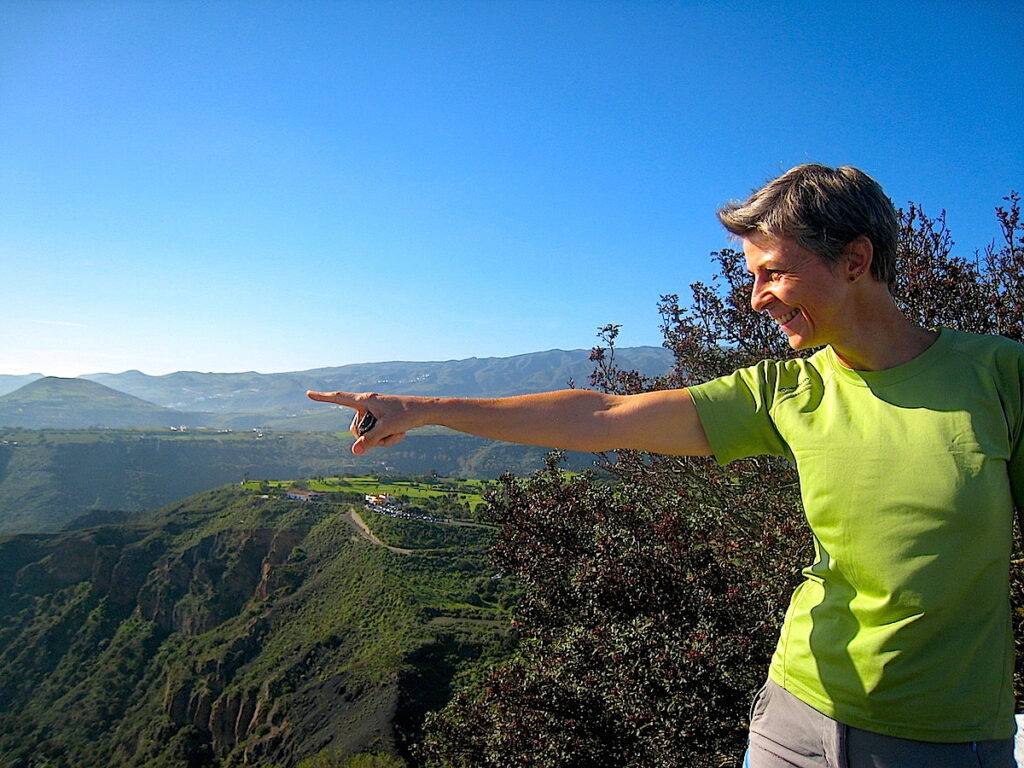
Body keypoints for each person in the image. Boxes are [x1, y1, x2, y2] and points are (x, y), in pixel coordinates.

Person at [308, 164, 1024, 767]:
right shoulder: (787, 391)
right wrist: (418, 406)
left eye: (773, 272)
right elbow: (602, 417)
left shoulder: (998, 378)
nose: (755, 299)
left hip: (944, 736)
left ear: (855, 260)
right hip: (796, 718)